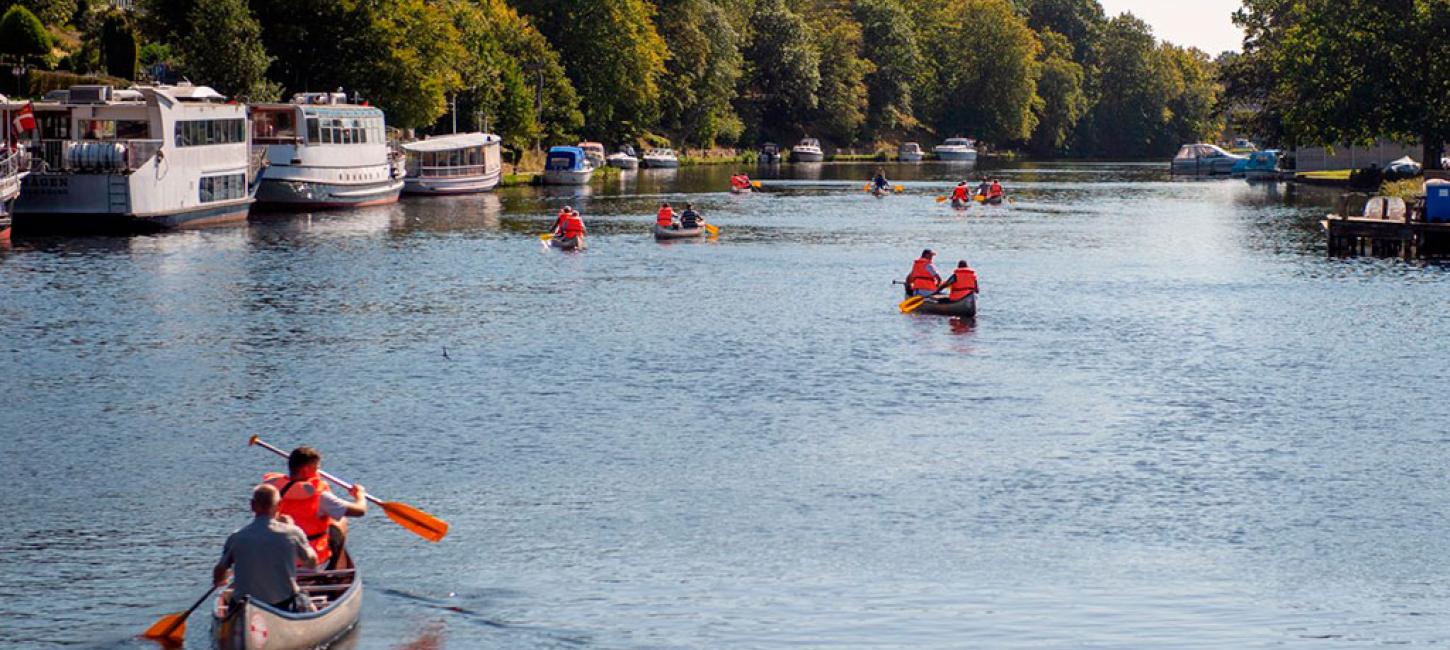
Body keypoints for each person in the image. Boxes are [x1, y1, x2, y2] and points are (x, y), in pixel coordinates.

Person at [213, 484, 318, 612]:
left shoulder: (236, 537)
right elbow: (312, 563)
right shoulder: (293, 532)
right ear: (279, 505)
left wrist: (222, 578)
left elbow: (219, 573)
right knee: (307, 602)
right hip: (282, 604)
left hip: (244, 606)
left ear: (252, 505)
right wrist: (293, 529)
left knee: (232, 598)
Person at [261, 447, 367, 571]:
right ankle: (335, 569)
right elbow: (360, 511)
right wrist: (360, 495)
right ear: (306, 470)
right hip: (311, 562)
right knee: (341, 521)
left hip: (279, 559)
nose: (319, 473)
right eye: (316, 468)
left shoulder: (273, 490)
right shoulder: (319, 495)